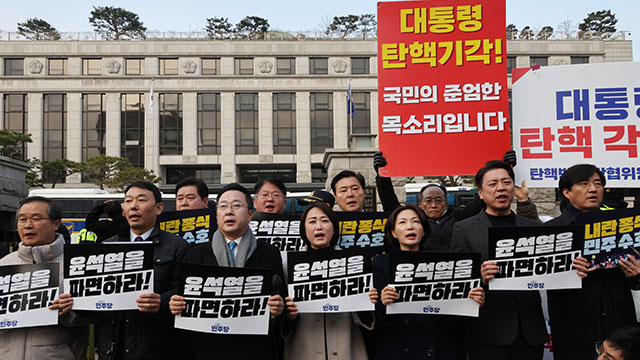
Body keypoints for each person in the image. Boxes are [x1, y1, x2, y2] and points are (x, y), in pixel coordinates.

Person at [169, 183, 286, 360]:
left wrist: (279, 307)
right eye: (223, 206)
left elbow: (281, 297)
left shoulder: (270, 252)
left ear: (250, 214)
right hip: (208, 350)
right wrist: (176, 304)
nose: (229, 211)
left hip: (255, 350)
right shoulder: (195, 254)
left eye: (237, 205)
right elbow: (183, 300)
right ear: (216, 215)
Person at [451, 160, 547, 359]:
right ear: (480, 193)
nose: (501, 188)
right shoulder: (464, 229)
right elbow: (458, 280)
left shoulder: (532, 227)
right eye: (493, 184)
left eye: (506, 182)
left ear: (514, 188)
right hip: (488, 330)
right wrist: (480, 277)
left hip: (529, 331)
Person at [545, 164, 640, 360]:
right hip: (575, 325)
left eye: (598, 184)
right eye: (584, 183)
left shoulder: (624, 225)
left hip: (618, 323)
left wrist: (636, 275)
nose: (593, 189)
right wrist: (565, 269)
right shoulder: (551, 231)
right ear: (567, 192)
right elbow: (536, 278)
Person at [89, 181, 189, 360]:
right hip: (112, 349)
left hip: (157, 348)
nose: (134, 206)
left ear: (158, 208)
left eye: (141, 200)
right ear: (123, 209)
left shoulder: (177, 246)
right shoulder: (106, 247)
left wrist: (162, 301)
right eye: (128, 201)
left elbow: (184, 291)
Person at [372, 204, 485, 360]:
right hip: (398, 349)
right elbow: (374, 319)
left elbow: (456, 320)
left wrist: (472, 302)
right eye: (402, 222)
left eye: (416, 222)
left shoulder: (444, 264)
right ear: (393, 232)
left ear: (424, 230)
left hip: (440, 349)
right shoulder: (380, 264)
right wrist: (383, 304)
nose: (410, 227)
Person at [282, 202, 378, 360]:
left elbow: (367, 322)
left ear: (334, 229)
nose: (318, 226)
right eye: (312, 221)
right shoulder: (288, 266)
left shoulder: (353, 263)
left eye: (325, 221)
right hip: (303, 349)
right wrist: (289, 314)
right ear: (304, 230)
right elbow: (281, 323)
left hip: (348, 349)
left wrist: (366, 302)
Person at [0, 196, 86, 360]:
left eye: (36, 219)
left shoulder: (77, 265)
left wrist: (68, 313)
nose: (27, 225)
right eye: (22, 219)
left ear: (56, 224)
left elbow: (96, 318)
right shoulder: (4, 265)